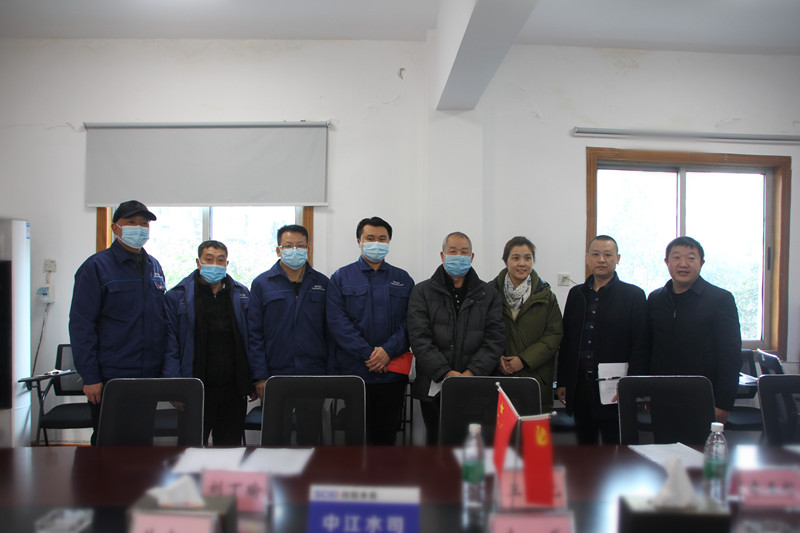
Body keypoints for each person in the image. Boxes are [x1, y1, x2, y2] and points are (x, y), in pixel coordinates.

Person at [68, 200, 167, 445]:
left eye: (144, 224)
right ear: (115, 228)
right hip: (111, 376)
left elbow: (159, 321)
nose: (139, 229)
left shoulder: (153, 266)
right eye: (131, 223)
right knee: (109, 445)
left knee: (142, 442)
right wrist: (91, 377)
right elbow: (82, 326)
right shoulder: (96, 267)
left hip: (148, 376)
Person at [408, 231, 505, 445]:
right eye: (453, 251)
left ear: (472, 257)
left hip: (476, 386)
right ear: (442, 256)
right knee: (437, 444)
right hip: (435, 385)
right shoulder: (421, 291)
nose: (458, 257)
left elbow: (495, 339)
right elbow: (419, 338)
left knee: (473, 447)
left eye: (464, 252)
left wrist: (471, 373)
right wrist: (446, 373)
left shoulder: (489, 294)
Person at [327, 217, 415, 445]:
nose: (377, 243)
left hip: (391, 374)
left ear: (389, 242)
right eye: (370, 238)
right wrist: (369, 354)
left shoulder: (403, 279)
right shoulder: (340, 278)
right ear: (359, 241)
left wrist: (387, 351)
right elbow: (337, 323)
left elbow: (411, 322)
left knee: (386, 440)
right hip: (355, 374)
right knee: (354, 439)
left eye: (382, 239)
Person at [556, 235, 648, 444]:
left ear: (618, 258)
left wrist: (631, 386)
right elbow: (567, 341)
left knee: (615, 449)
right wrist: (563, 381)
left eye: (608, 254)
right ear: (587, 258)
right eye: (596, 254)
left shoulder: (633, 295)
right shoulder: (576, 294)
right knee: (584, 447)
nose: (601, 260)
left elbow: (640, 346)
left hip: (615, 387)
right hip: (581, 386)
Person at [247, 224, 332, 445]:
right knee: (276, 437)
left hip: (313, 373)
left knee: (310, 437)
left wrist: (330, 374)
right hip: (275, 375)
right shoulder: (262, 284)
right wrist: (260, 376)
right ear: (278, 250)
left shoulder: (322, 283)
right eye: (288, 246)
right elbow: (254, 334)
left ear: (308, 249)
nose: (294, 250)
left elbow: (331, 332)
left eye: (300, 246)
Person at [163, 240, 253, 446]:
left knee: (230, 450)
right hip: (195, 388)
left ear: (227, 263)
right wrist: (173, 385)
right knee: (190, 449)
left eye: (220, 260)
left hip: (232, 388)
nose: (215, 265)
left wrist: (253, 378)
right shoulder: (177, 296)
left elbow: (251, 339)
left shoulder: (241, 294)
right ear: (198, 262)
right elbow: (170, 344)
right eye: (209, 259)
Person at [646, 236, 741, 423]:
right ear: (666, 262)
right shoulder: (656, 299)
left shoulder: (720, 299)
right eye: (676, 257)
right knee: (663, 443)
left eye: (691, 258)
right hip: (662, 396)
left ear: (701, 263)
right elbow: (648, 348)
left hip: (703, 397)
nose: (683, 264)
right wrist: (645, 392)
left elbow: (730, 355)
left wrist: (724, 403)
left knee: (700, 444)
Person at [493, 236, 562, 414]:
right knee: (501, 428)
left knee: (534, 430)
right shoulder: (490, 293)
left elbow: (554, 335)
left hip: (536, 378)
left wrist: (524, 360)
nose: (522, 263)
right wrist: (497, 358)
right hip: (498, 377)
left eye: (527, 258)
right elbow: (481, 332)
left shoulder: (546, 296)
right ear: (505, 261)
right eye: (515, 258)